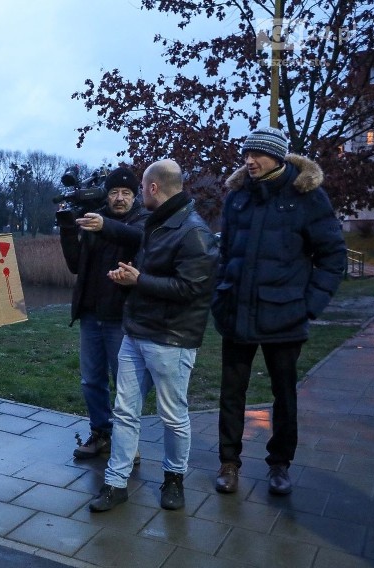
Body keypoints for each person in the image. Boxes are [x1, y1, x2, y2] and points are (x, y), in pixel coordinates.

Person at [212, 127, 346, 496]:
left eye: (258, 155)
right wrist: (219, 295)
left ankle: (280, 464)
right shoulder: (237, 197)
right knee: (231, 393)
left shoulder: (307, 196)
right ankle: (228, 462)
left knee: (284, 394)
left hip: (285, 318)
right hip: (237, 313)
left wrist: (310, 306)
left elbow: (334, 259)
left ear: (278, 157)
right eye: (246, 154)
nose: (249, 161)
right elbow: (225, 256)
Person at [89, 159, 218, 512]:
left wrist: (138, 280)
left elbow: (192, 288)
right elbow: (145, 255)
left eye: (142, 187)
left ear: (153, 188)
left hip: (171, 339)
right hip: (136, 332)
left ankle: (174, 478)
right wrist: (130, 273)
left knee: (173, 415)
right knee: (125, 411)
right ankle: (116, 483)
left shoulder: (193, 232)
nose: (138, 193)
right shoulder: (158, 223)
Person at [59, 167, 149, 460]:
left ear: (135, 196)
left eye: (126, 193)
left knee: (125, 382)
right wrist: (68, 229)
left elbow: (137, 238)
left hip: (121, 317)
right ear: (106, 195)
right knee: (91, 381)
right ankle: (101, 434)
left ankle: (127, 442)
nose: (119, 198)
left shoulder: (144, 219)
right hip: (90, 313)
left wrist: (103, 226)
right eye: (113, 192)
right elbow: (75, 265)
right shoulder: (94, 219)